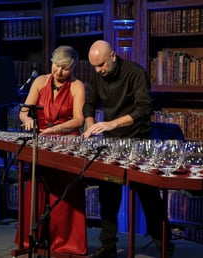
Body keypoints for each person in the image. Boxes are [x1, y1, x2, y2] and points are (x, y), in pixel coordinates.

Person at [82, 40, 174, 258]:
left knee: (149, 196)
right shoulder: (97, 75)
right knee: (108, 196)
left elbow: (144, 110)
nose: (98, 70)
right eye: (94, 66)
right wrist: (90, 128)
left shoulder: (136, 73)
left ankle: (165, 248)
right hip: (111, 143)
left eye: (101, 65)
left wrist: (111, 123)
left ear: (113, 55)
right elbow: (89, 105)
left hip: (138, 142)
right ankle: (108, 247)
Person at [15, 45, 87, 254]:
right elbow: (24, 111)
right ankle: (34, 240)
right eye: (56, 66)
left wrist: (54, 129)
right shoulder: (39, 82)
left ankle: (65, 244)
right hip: (41, 143)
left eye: (64, 68)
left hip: (66, 145)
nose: (59, 72)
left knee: (64, 197)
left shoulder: (77, 86)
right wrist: (27, 119)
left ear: (72, 67)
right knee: (36, 189)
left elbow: (79, 119)